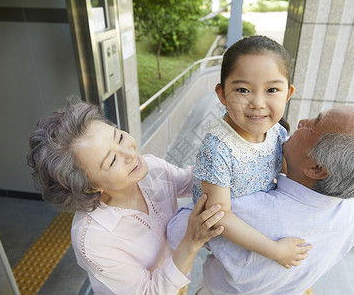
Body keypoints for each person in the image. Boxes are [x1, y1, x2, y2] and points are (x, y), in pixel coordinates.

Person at [168, 106, 354, 294]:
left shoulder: (246, 210)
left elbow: (177, 231)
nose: (302, 121)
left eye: (314, 124)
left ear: (317, 167)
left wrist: (216, 174)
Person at [26, 101, 225, 294]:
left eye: (119, 138)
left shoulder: (152, 169)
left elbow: (195, 180)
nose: (129, 153)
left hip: (178, 280)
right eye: (112, 160)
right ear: (88, 188)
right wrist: (191, 241)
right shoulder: (93, 239)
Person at [190, 35, 311, 269]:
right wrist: (275, 250)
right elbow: (220, 215)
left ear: (288, 94)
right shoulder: (218, 148)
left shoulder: (276, 131)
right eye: (243, 90)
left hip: (259, 215)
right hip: (227, 233)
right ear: (222, 94)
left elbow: (286, 170)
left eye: (272, 89)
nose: (258, 103)